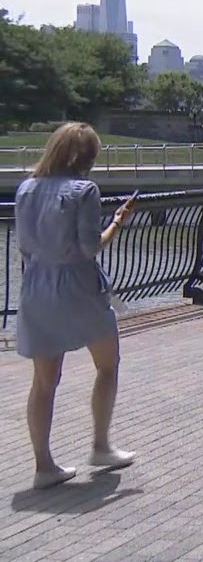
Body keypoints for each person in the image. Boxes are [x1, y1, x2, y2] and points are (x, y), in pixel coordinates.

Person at [14, 122, 137, 490]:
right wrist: (116, 223)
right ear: (85, 158)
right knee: (107, 364)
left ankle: (44, 465)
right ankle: (100, 446)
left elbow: (24, 244)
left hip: (37, 286)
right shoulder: (85, 191)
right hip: (79, 288)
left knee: (44, 382)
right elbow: (89, 248)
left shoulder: (26, 189)